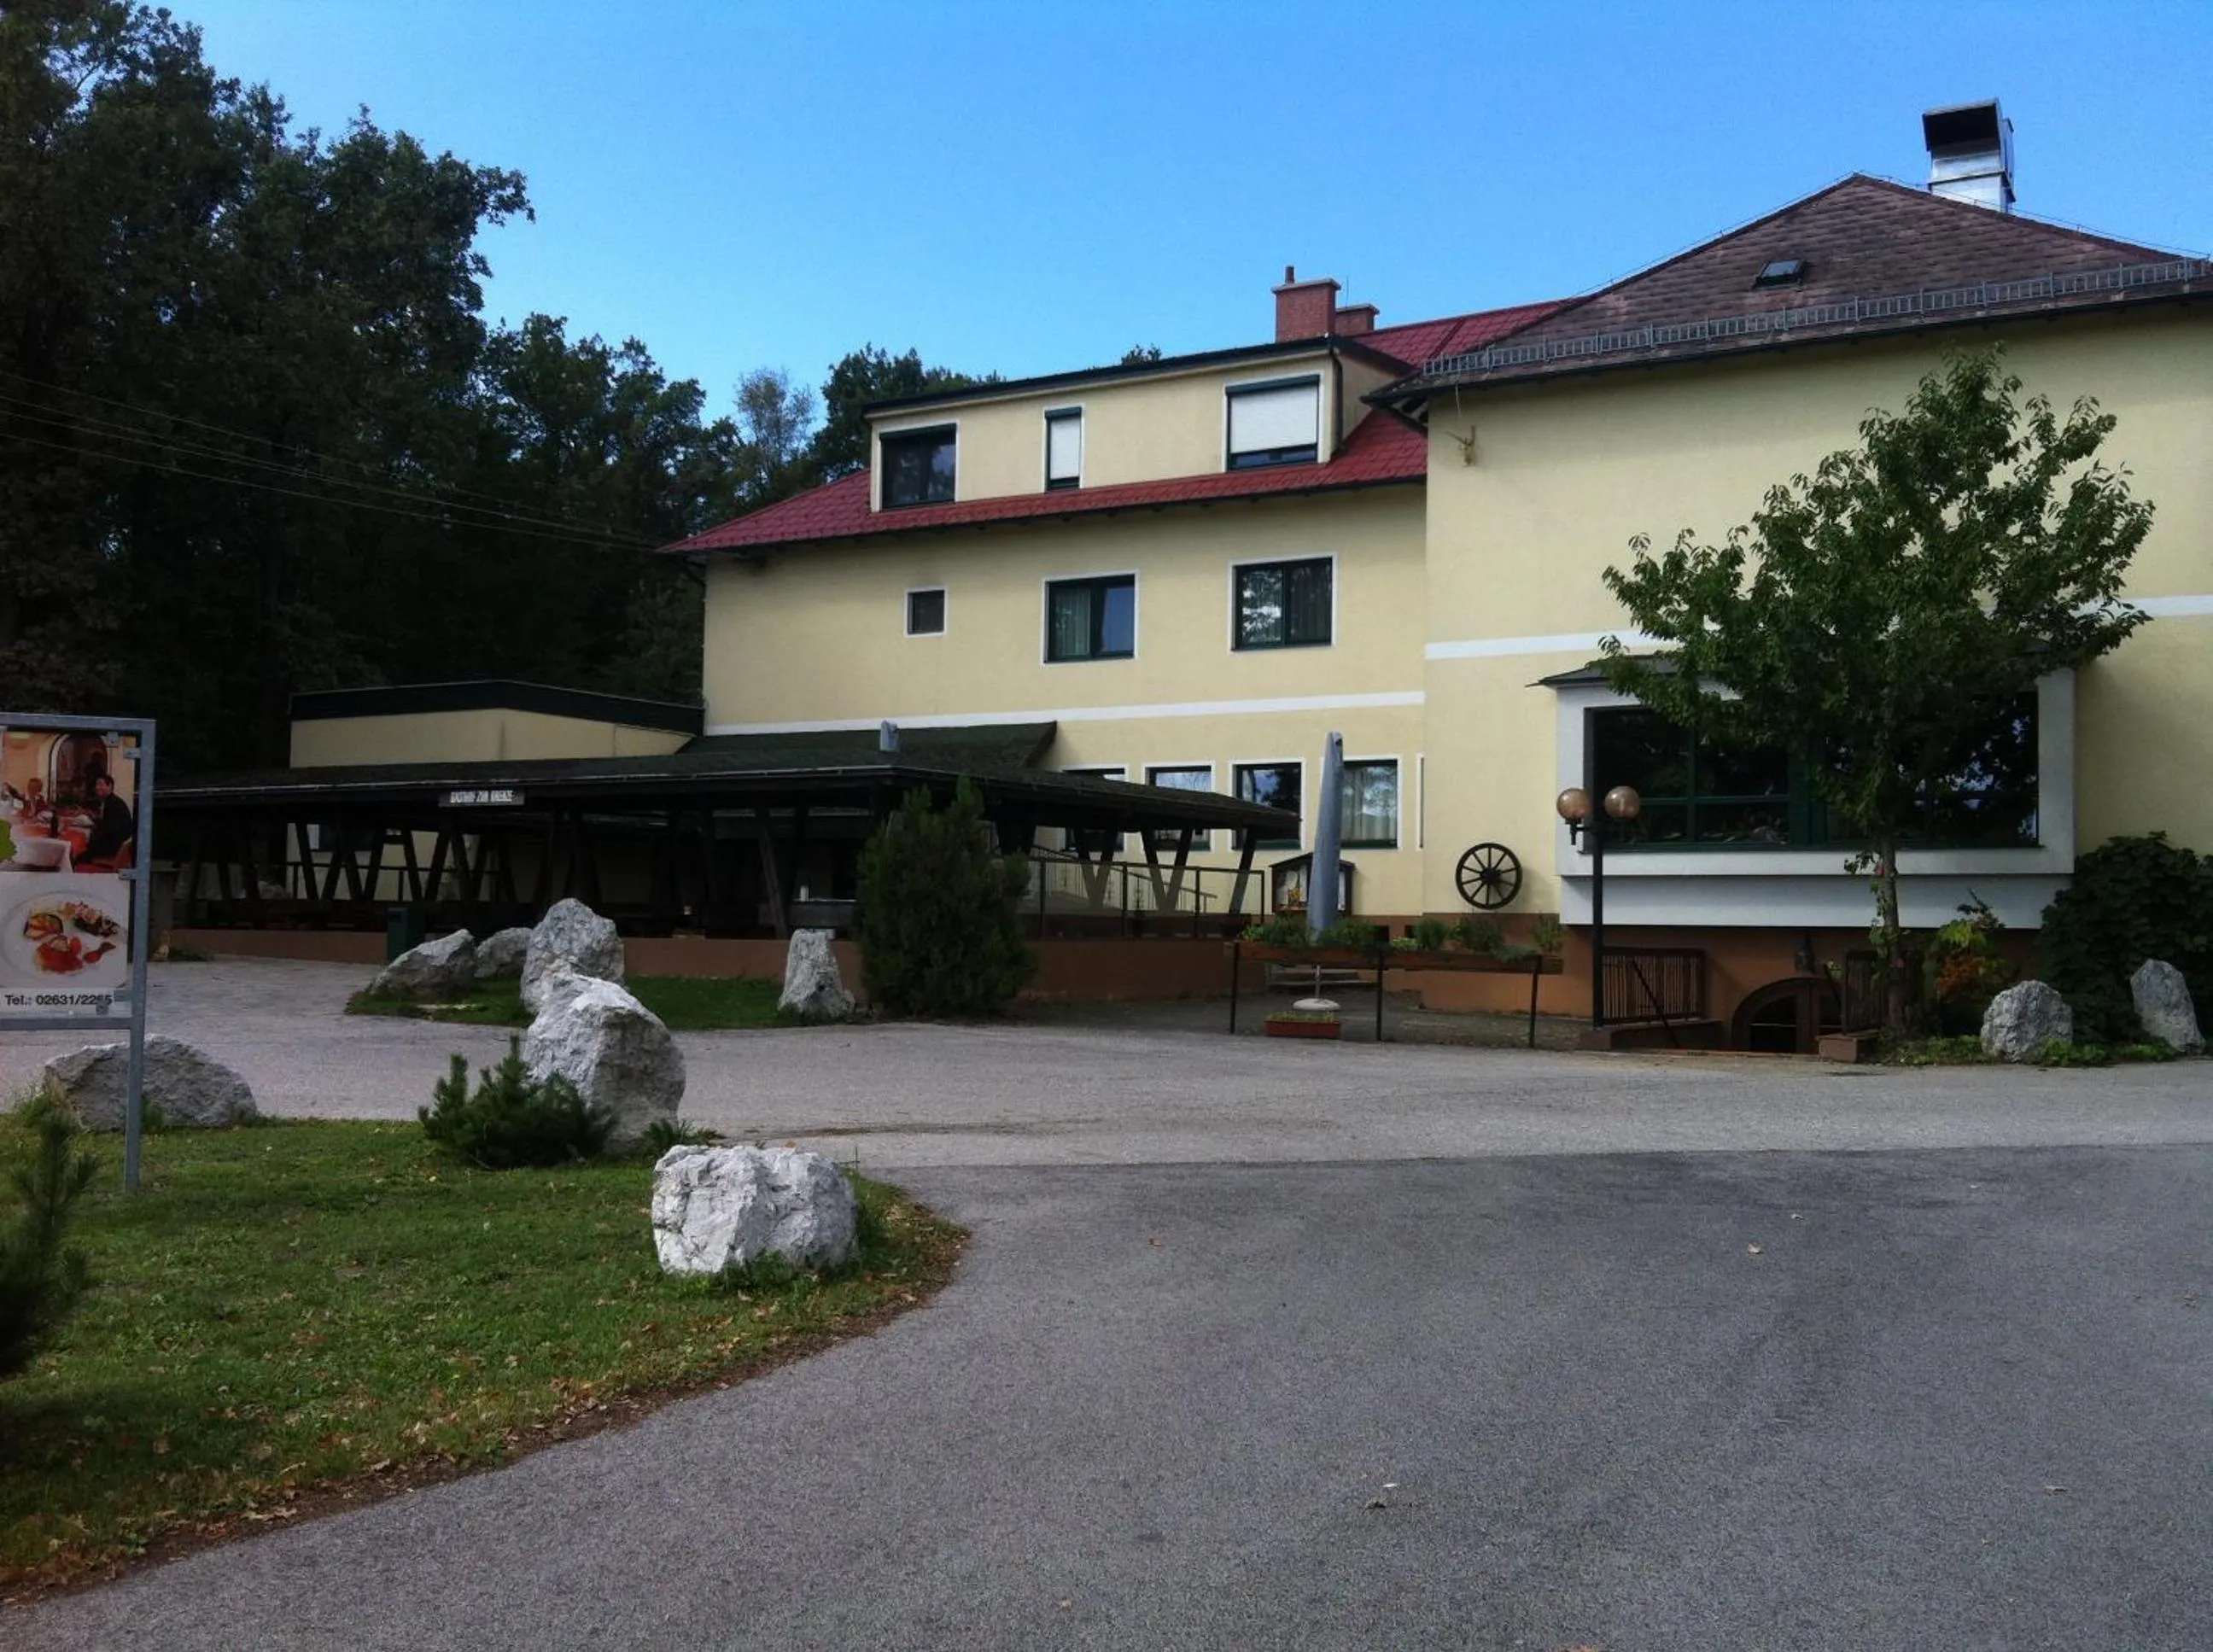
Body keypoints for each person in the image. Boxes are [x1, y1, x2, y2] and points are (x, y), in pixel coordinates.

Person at [80, 773, 134, 867]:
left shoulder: (114, 804)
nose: (97, 788)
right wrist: (94, 819)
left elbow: (110, 830)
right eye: (96, 785)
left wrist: (93, 832)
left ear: (110, 786)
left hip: (114, 848)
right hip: (113, 843)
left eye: (101, 784)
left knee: (79, 854)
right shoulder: (111, 801)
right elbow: (108, 824)